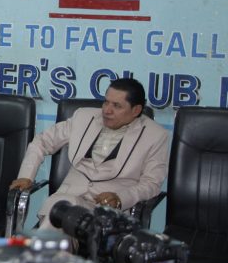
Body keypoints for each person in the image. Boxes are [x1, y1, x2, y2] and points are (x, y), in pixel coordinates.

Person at [9, 78, 168, 230]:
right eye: (106, 102)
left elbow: (151, 183)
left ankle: (46, 247)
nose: (107, 110)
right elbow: (42, 141)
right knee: (62, 209)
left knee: (59, 214)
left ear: (136, 110)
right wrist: (26, 176)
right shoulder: (84, 117)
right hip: (67, 199)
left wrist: (121, 198)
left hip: (107, 212)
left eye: (117, 106)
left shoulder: (155, 135)